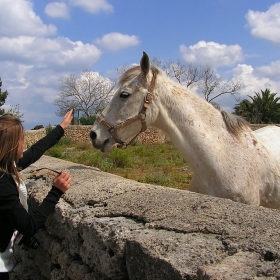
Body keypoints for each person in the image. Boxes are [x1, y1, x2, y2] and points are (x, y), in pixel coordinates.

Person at [0, 110, 73, 279]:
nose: (24, 142)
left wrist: (61, 128)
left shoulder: (6, 166)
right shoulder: (3, 183)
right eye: (21, 138)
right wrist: (56, 191)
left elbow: (36, 151)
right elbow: (29, 226)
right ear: (10, 144)